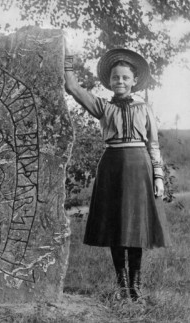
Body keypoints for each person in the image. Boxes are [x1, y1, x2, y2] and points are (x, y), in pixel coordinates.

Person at [64, 46, 171, 302]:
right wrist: (67, 60)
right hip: (112, 166)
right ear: (109, 81)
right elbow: (74, 89)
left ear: (134, 81)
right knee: (116, 225)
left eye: (125, 77)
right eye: (115, 77)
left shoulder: (145, 108)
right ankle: (121, 285)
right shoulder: (103, 106)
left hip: (139, 166)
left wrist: (158, 177)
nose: (120, 81)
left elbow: (153, 144)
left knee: (136, 226)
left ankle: (136, 284)